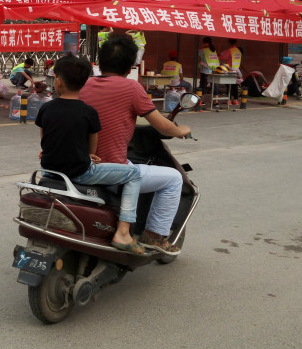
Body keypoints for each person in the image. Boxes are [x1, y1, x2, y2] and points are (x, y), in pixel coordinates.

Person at [80, 35, 191, 256]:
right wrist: (181, 131)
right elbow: (163, 126)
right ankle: (154, 236)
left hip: (78, 163)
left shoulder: (83, 84)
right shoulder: (132, 88)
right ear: (131, 65)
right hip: (110, 170)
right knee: (174, 179)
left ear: (100, 61)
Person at [36, 54, 145, 254]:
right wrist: (90, 155)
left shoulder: (46, 108)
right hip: (80, 173)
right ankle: (123, 232)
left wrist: (48, 149)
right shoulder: (89, 112)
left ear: (58, 81)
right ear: (85, 82)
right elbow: (92, 141)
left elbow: (45, 137)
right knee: (135, 174)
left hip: (49, 170)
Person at [218, 39, 243, 104]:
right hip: (236, 70)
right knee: (234, 85)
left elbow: (223, 58)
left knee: (229, 85)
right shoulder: (238, 51)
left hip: (229, 70)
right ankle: (235, 100)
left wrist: (219, 55)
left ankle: (228, 100)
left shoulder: (230, 50)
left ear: (229, 43)